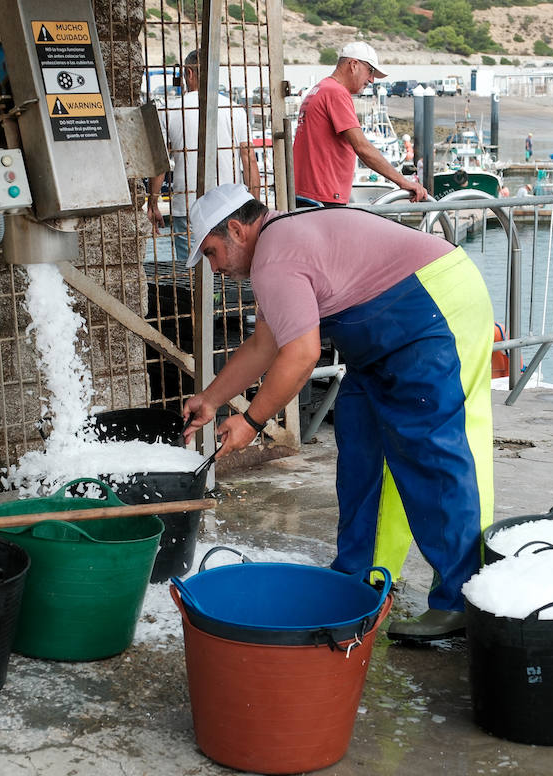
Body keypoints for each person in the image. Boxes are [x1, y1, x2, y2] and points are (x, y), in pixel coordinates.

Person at [180, 183, 497, 641]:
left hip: (434, 305)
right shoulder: (276, 246)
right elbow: (265, 344)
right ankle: (359, 576)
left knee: (431, 451)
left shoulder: (274, 257)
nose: (215, 267)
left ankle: (461, 599)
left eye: (211, 252)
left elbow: (301, 355)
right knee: (361, 442)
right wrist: (210, 400)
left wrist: (250, 422)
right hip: (387, 330)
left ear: (236, 229)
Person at [147, 50, 261, 262]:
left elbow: (159, 164)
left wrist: (153, 204)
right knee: (230, 268)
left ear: (189, 73)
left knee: (190, 269)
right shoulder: (235, 110)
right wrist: (254, 209)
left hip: (188, 206)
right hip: (230, 205)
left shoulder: (169, 111)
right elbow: (249, 160)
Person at [291, 41, 428, 207]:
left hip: (306, 193)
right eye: (370, 71)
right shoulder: (336, 92)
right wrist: (403, 181)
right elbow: (361, 146)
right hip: (323, 196)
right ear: (354, 65)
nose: (371, 79)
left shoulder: (319, 89)